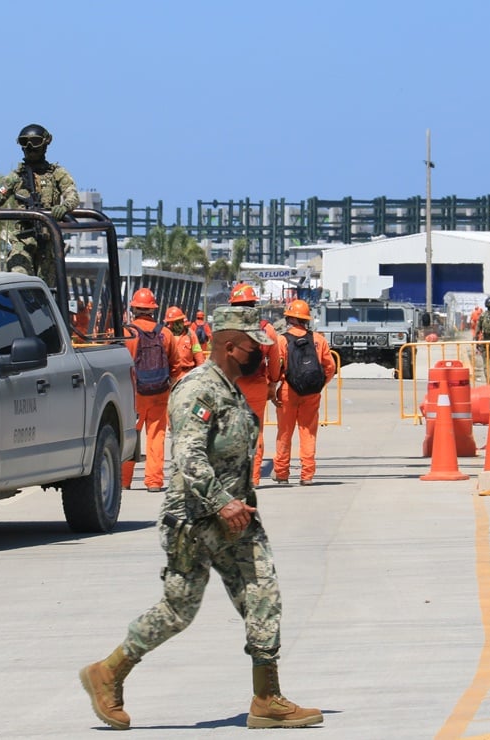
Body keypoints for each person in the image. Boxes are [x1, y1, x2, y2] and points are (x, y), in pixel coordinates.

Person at [79, 306, 323, 731]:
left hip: (236, 519)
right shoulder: (197, 390)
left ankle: (266, 698)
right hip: (195, 520)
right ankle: (109, 671)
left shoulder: (229, 387)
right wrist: (219, 502)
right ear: (231, 347)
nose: (260, 355)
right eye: (253, 348)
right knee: (179, 609)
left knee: (263, 594)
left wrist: (238, 505)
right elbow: (188, 456)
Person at [0, 124, 79, 285]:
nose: (29, 147)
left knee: (45, 289)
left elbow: (72, 195)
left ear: (45, 144)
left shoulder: (57, 174)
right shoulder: (15, 177)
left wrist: (64, 207)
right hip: (23, 240)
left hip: (48, 243)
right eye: (25, 142)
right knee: (19, 280)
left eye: (35, 142)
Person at [121, 288, 181, 493]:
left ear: (134, 308)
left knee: (130, 435)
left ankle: (123, 480)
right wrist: (169, 384)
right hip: (159, 392)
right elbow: (176, 364)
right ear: (153, 309)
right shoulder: (165, 333)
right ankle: (154, 481)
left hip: (133, 394)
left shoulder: (126, 333)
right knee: (156, 435)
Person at [273, 299, 336, 486]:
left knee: (284, 432)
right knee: (308, 432)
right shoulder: (318, 339)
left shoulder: (282, 339)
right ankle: (307, 475)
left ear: (289, 319)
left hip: (287, 391)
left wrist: (274, 386)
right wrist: (318, 385)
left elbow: (276, 368)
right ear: (306, 319)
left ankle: (282, 474)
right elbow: (330, 367)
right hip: (312, 393)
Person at [227, 283, 283, 486]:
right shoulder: (266, 329)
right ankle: (254, 478)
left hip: (232, 385)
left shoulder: (225, 327)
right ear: (254, 304)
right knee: (256, 432)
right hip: (258, 386)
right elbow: (275, 362)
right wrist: (272, 385)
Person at [164, 306, 205, 383]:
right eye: (169, 322)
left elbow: (198, 354)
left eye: (173, 322)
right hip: (170, 376)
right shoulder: (165, 335)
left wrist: (200, 375)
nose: (170, 325)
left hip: (188, 375)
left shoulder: (190, 334)